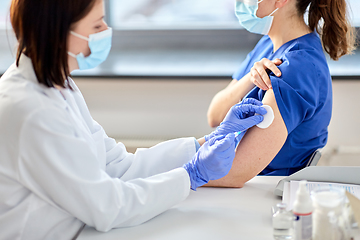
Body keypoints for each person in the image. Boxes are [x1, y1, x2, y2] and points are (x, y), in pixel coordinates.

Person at [0, 0, 267, 239]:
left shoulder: (58, 82)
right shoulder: (29, 110)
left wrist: (205, 143)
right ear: (59, 34)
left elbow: (117, 164)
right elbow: (107, 207)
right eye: (96, 25)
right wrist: (192, 175)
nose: (106, 30)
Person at [206, 0, 355, 187]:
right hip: (247, 182)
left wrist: (175, 171)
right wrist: (251, 78)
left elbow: (236, 172)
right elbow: (215, 115)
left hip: (263, 190)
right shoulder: (269, 44)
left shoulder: (296, 67)